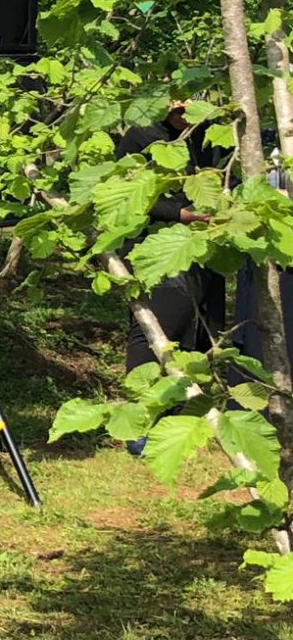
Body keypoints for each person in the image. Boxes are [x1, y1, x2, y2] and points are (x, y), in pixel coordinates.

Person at [115, 102, 222, 455]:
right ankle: (140, 422)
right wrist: (180, 214)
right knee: (154, 330)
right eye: (177, 107)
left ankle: (175, 417)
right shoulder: (143, 136)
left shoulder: (208, 138)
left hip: (199, 246)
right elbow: (130, 192)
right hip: (153, 247)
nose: (184, 112)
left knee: (191, 331)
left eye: (192, 107)